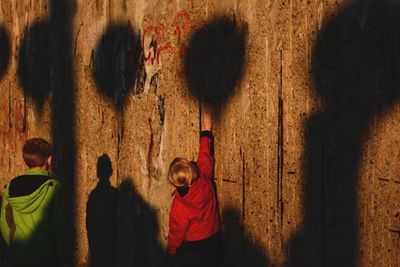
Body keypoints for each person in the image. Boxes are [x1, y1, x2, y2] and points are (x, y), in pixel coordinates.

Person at [0, 138, 71, 267]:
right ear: (49, 159)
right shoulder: (53, 187)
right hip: (46, 257)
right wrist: (64, 258)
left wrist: (14, 247)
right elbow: (59, 227)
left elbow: (5, 222)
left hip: (18, 256)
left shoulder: (10, 186)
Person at [167, 111, 222, 267]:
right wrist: (206, 130)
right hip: (214, 238)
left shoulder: (180, 205)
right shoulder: (205, 179)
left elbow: (177, 232)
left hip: (195, 248)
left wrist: (171, 252)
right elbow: (205, 156)